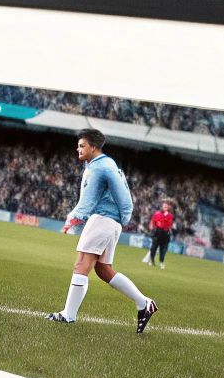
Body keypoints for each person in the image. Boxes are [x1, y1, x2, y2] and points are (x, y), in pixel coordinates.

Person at [46, 129, 159, 333]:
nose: (78, 149)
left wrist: (73, 219)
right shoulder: (105, 164)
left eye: (82, 146)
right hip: (110, 221)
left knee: (81, 264)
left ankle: (68, 315)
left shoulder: (100, 167)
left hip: (103, 218)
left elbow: (91, 200)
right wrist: (122, 218)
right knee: (103, 270)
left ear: (94, 147)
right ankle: (144, 303)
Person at [146, 198, 176, 267]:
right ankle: (151, 260)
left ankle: (161, 262)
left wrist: (164, 225)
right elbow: (153, 222)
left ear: (168, 208)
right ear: (162, 207)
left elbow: (170, 224)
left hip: (165, 233)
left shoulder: (170, 216)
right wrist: (152, 227)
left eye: (166, 206)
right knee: (154, 247)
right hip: (157, 232)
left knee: (163, 249)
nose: (165, 207)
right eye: (164, 206)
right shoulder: (157, 214)